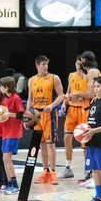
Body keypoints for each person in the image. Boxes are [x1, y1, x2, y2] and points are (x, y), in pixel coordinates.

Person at [28, 55, 65, 185]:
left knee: (50, 144)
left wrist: (52, 105)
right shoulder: (31, 80)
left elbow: (61, 96)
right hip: (37, 114)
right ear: (37, 65)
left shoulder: (54, 78)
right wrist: (27, 116)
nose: (45, 66)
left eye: (46, 64)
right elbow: (30, 99)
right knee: (41, 145)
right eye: (43, 64)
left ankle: (53, 172)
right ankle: (45, 171)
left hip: (49, 114)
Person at [60, 55, 92, 180]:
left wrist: (80, 96)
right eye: (77, 63)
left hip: (83, 110)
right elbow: (69, 91)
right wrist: (64, 102)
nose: (78, 65)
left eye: (81, 63)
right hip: (72, 110)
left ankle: (87, 170)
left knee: (85, 142)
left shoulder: (87, 76)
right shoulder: (71, 75)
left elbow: (89, 93)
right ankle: (68, 168)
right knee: (66, 138)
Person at [77, 50, 101, 187]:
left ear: (84, 60)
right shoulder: (93, 71)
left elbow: (89, 93)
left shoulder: (92, 72)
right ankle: (91, 175)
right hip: (90, 107)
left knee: (89, 141)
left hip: (91, 108)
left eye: (81, 60)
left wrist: (74, 95)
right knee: (88, 143)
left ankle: (93, 175)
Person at [0, 76, 25, 194]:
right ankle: (9, 184)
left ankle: (15, 184)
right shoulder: (4, 101)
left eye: (1, 86)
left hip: (13, 132)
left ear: (6, 87)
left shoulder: (16, 98)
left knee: (7, 158)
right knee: (4, 159)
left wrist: (10, 114)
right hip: (5, 132)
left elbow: (22, 115)